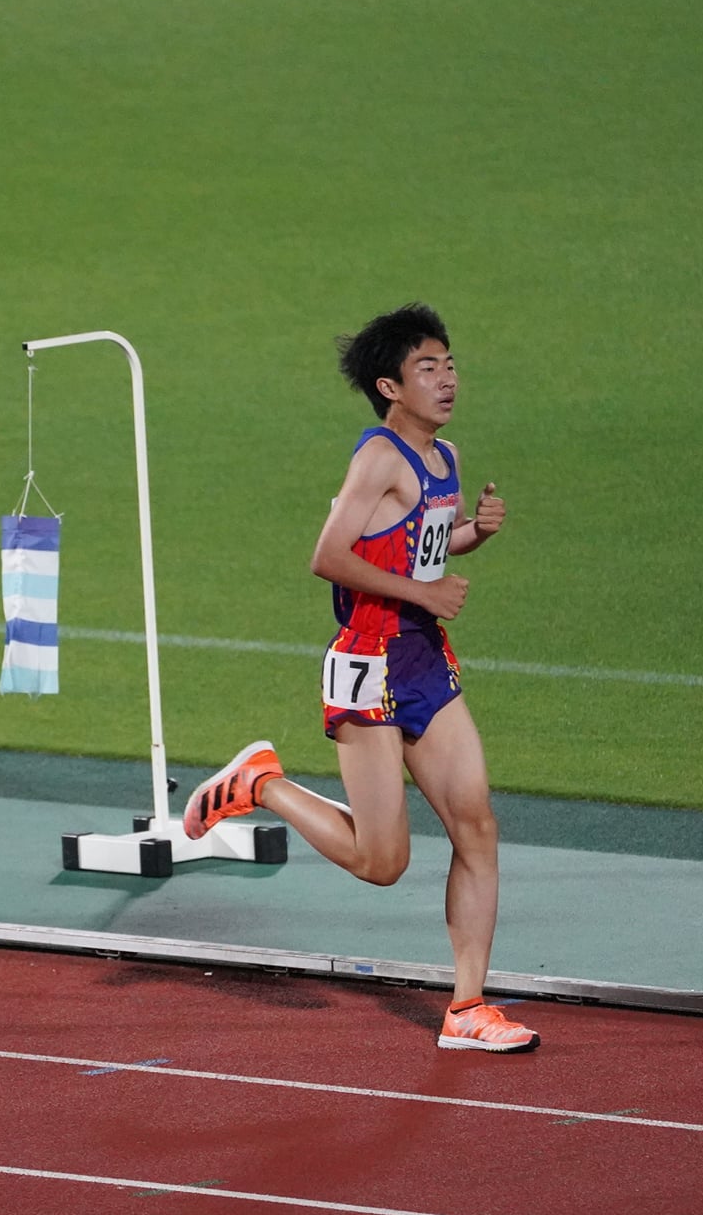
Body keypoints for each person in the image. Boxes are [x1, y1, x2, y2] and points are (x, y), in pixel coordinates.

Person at [184, 303, 536, 1052]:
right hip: (367, 663)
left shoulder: (446, 456)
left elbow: (417, 552)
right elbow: (329, 556)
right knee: (384, 862)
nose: (447, 380)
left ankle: (467, 1007)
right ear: (390, 386)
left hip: (422, 659)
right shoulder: (378, 457)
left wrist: (474, 532)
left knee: (476, 824)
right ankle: (262, 783)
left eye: (449, 364)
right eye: (427, 369)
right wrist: (427, 594)